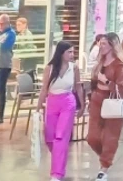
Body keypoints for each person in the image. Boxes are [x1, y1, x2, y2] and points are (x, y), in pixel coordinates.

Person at [86, 33, 123, 181]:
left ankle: (104, 168)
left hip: (112, 103)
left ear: (112, 46)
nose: (101, 46)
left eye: (104, 44)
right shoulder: (99, 63)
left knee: (110, 138)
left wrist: (106, 81)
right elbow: (93, 83)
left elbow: (122, 89)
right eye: (100, 43)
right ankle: (106, 157)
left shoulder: (119, 66)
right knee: (92, 138)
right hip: (96, 101)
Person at [39, 41, 84, 181]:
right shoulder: (50, 68)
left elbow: (78, 87)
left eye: (73, 52)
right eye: (69, 52)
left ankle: (56, 174)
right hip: (52, 103)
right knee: (49, 138)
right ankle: (60, 160)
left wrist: (82, 105)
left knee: (60, 137)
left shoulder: (74, 67)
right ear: (61, 53)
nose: (72, 54)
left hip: (67, 103)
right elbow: (44, 89)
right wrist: (38, 107)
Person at [0, 13, 18, 125]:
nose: (0, 25)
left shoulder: (11, 34)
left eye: (2, 23)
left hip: (4, 65)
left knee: (1, 89)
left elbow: (3, 47)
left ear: (8, 23)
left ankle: (0, 115)